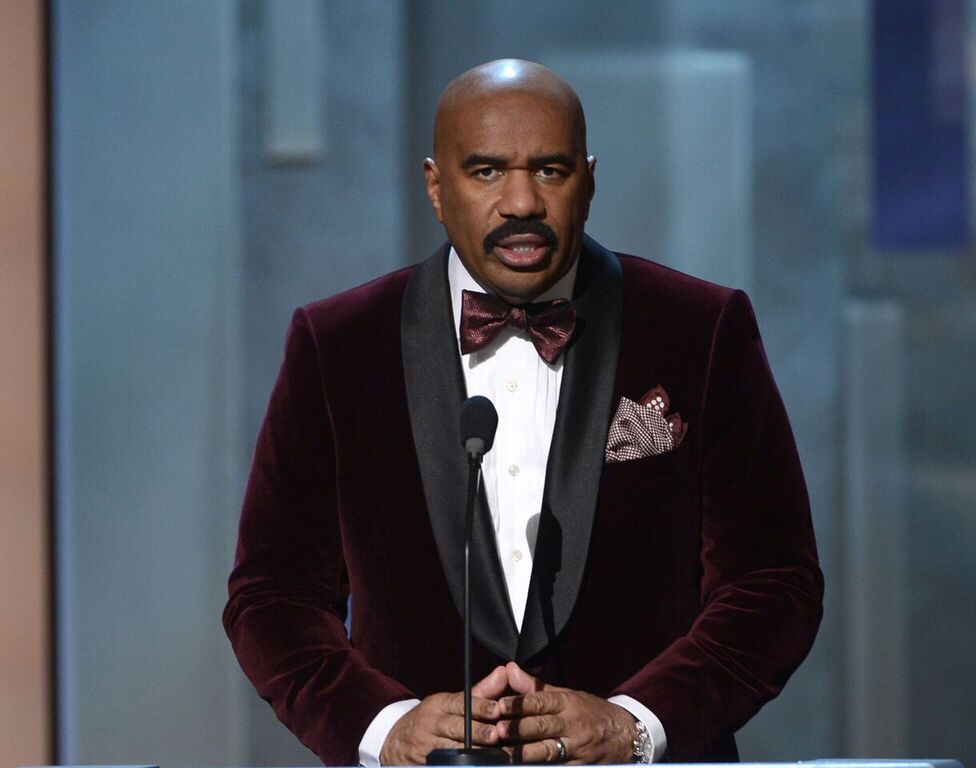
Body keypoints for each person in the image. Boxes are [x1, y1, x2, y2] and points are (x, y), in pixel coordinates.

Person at [223, 59, 823, 765]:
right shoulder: (338, 345)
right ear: (435, 187)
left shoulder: (699, 329)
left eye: (549, 170)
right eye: (485, 172)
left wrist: (636, 727)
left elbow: (774, 584)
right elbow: (271, 596)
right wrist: (386, 728)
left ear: (590, 180)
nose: (520, 203)